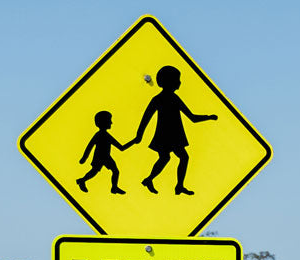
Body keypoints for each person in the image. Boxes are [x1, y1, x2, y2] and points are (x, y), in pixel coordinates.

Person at [130, 65, 217, 195]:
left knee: (173, 158)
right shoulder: (159, 99)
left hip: (174, 135)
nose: (180, 82)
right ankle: (159, 181)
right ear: (169, 81)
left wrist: (208, 117)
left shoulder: (172, 98)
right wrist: (139, 135)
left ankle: (168, 183)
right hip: (166, 135)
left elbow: (192, 117)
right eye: (177, 79)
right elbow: (146, 117)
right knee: (174, 157)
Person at [76, 111, 130, 194]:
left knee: (115, 171)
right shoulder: (99, 134)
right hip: (99, 157)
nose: (111, 122)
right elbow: (90, 146)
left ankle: (114, 187)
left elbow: (121, 148)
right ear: (103, 122)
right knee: (95, 171)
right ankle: (82, 180)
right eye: (109, 120)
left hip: (106, 157)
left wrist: (134, 141)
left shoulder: (107, 135)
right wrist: (84, 158)